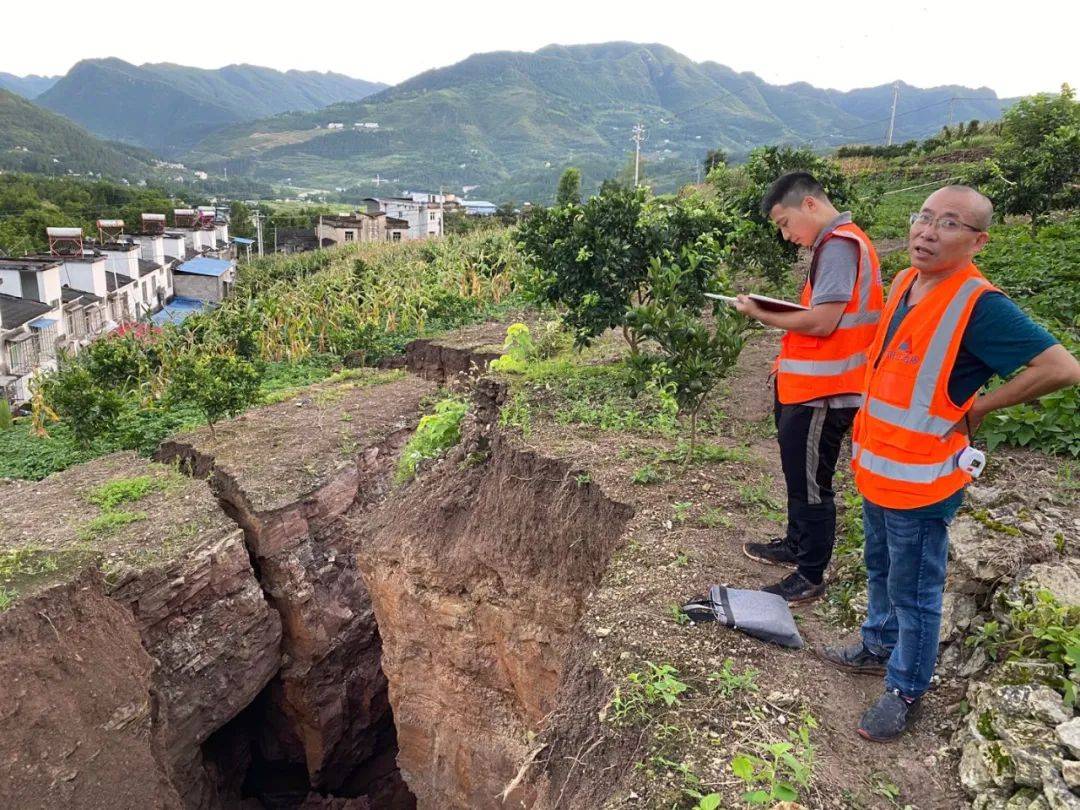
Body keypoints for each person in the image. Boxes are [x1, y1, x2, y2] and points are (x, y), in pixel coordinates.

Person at [815, 185, 1080, 742]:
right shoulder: (911, 281)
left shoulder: (981, 305)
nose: (928, 231)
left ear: (979, 240)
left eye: (950, 224)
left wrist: (980, 407)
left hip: (922, 479)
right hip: (880, 467)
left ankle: (906, 686)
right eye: (923, 217)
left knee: (916, 588)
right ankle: (876, 641)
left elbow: (1061, 366)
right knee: (881, 566)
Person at [735, 172, 883, 603]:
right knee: (798, 475)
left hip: (827, 392)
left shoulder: (839, 246)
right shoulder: (833, 244)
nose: (785, 235)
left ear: (811, 206)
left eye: (784, 223)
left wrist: (761, 314)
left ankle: (811, 573)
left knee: (813, 483)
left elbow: (823, 322)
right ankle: (796, 543)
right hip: (807, 386)